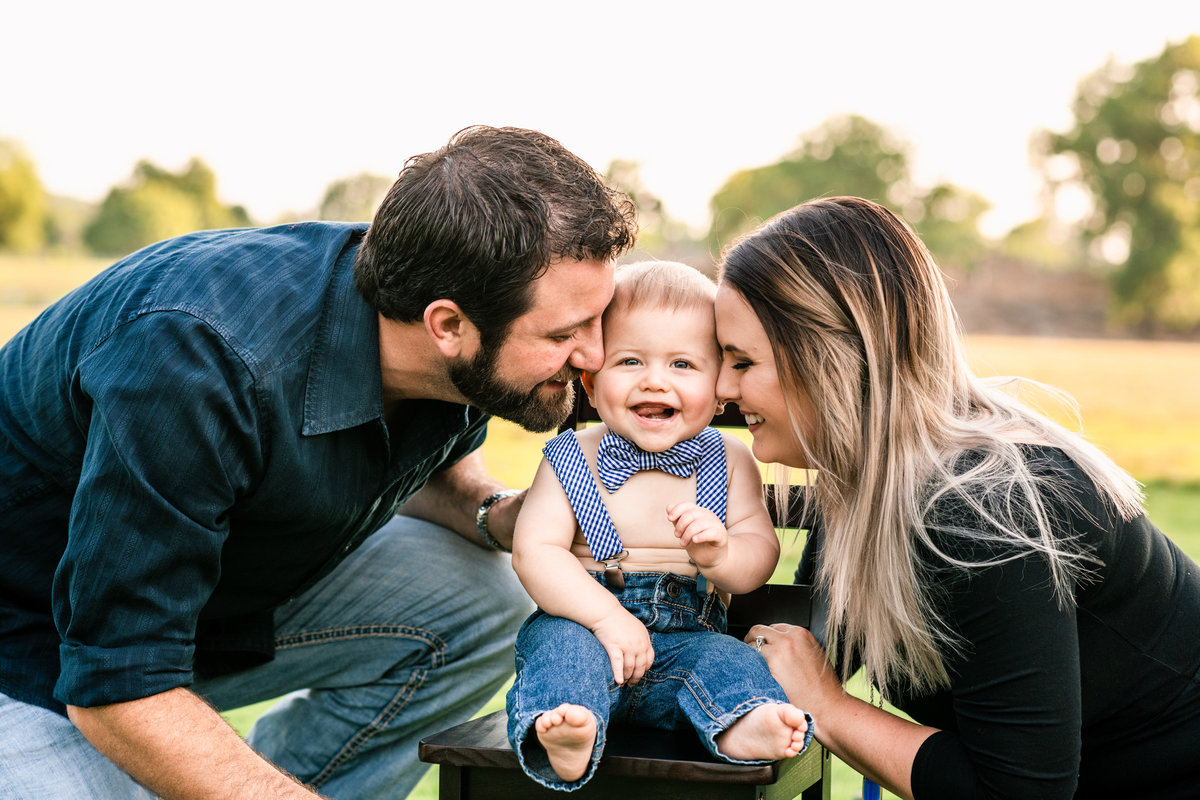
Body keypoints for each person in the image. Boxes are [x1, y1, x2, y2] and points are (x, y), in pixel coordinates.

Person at [0, 125, 638, 800]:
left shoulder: (451, 302)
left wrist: (497, 515)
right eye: (565, 334)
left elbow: (408, 461)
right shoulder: (196, 367)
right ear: (446, 326)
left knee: (490, 595)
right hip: (39, 641)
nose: (595, 356)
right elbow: (113, 681)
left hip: (219, 596)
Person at [715, 196, 1200, 799]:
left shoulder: (979, 509)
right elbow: (800, 652)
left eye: (740, 361)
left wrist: (829, 707)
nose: (720, 389)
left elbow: (1018, 793)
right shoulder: (873, 483)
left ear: (831, 359)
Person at [505, 260, 812, 791]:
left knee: (727, 658)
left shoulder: (731, 459)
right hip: (586, 629)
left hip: (686, 643)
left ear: (719, 389)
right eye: (629, 360)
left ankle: (744, 721)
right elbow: (535, 552)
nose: (654, 380)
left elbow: (757, 558)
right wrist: (604, 618)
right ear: (591, 382)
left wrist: (720, 556)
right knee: (560, 653)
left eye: (682, 365)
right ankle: (570, 726)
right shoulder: (570, 455)